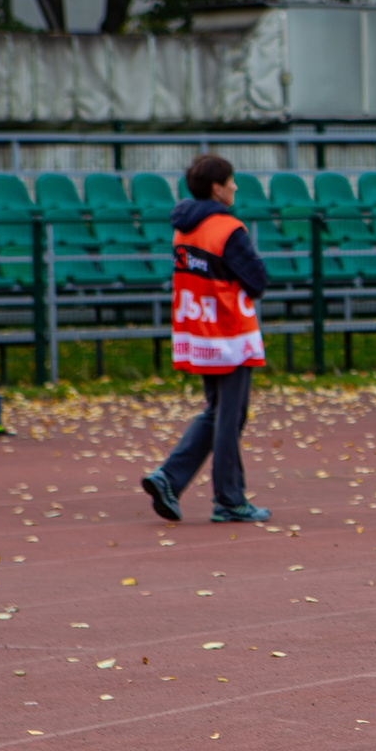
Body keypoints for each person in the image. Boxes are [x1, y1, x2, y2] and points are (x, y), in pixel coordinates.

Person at [142, 155, 273, 524]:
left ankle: (170, 478)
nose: (235, 187)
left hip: (199, 332)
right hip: (229, 335)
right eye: (231, 181)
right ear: (217, 188)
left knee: (218, 412)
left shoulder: (183, 229)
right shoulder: (227, 229)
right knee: (229, 417)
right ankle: (227, 499)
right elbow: (257, 281)